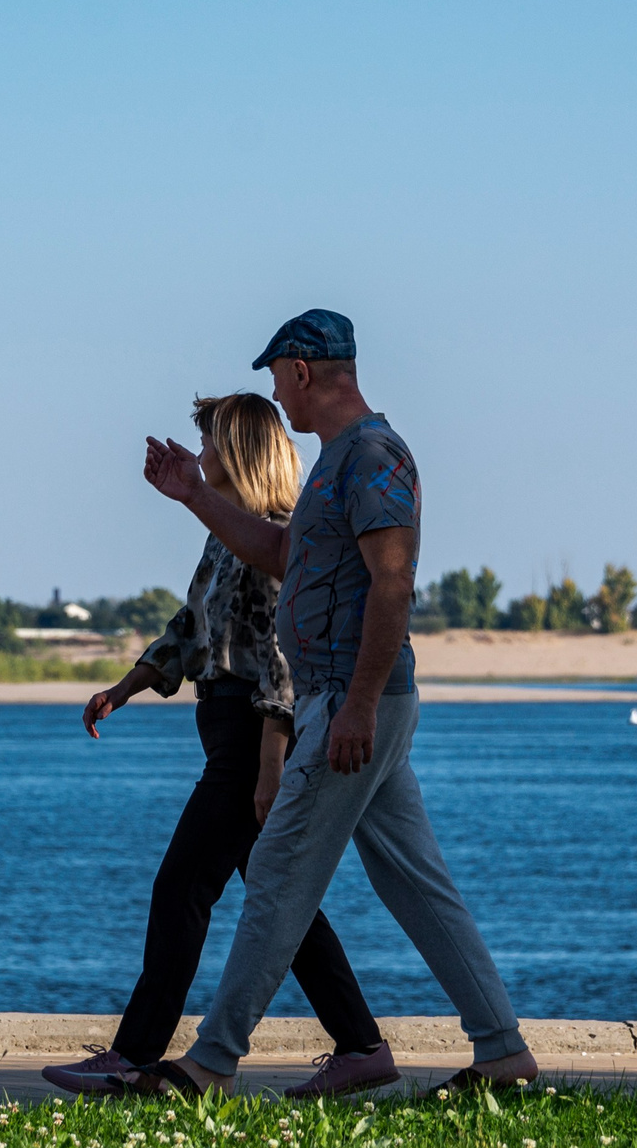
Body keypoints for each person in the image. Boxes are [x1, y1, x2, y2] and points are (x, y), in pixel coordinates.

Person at [127, 308, 539, 1096]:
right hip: (343, 702)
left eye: (277, 379)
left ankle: (209, 1064)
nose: (277, 398)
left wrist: (358, 706)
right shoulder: (333, 463)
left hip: (353, 704)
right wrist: (193, 495)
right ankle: (503, 1051)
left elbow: (394, 582)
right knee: (416, 884)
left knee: (277, 873)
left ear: (302, 370)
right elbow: (282, 553)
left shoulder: (374, 456)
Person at [42, 393, 399, 1101]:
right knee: (281, 899)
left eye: (209, 443)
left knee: (182, 887)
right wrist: (124, 687)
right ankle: (362, 1045)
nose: (201, 455)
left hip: (247, 739)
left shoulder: (276, 540)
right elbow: (189, 627)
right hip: (225, 732)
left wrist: (269, 765)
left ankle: (134, 1055)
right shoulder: (224, 537)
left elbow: (282, 659)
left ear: (237, 452)